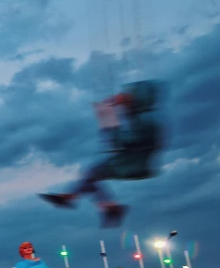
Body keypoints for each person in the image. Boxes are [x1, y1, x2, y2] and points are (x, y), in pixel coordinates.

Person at [39, 81, 164, 228]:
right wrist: (116, 110)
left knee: (92, 174)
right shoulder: (143, 116)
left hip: (134, 164)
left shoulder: (144, 120)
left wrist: (108, 119)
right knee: (91, 174)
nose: (124, 102)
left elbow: (121, 141)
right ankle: (103, 205)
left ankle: (92, 203)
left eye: (128, 99)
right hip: (132, 160)